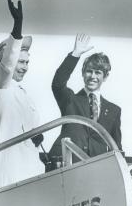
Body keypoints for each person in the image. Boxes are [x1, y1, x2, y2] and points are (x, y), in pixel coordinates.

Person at [0, 0, 44, 194]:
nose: (24, 67)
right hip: (8, 174)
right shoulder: (0, 84)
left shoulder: (24, 95)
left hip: (29, 171)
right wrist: (18, 27)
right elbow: (8, 64)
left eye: (27, 63)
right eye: (21, 62)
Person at [49, 34, 123, 163]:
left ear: (105, 77)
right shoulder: (70, 99)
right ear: (83, 73)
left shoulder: (114, 110)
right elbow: (58, 83)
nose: (92, 76)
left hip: (96, 168)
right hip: (68, 162)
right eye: (89, 71)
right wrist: (75, 54)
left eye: (98, 72)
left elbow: (116, 146)